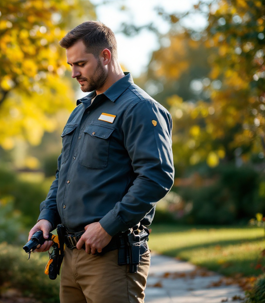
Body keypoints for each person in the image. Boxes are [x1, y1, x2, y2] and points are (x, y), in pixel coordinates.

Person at [27, 21, 174, 303]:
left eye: (80, 63)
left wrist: (108, 226)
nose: (73, 73)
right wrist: (47, 217)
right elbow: (63, 175)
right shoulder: (80, 112)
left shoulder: (139, 108)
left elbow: (157, 176)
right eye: (71, 65)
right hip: (69, 258)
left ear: (105, 56)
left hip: (111, 261)